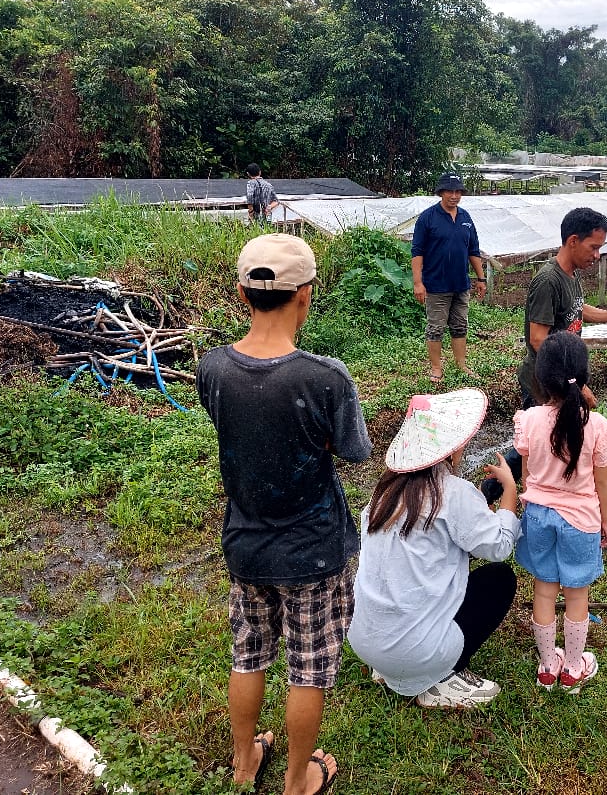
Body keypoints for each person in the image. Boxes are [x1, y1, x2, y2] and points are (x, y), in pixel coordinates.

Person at [196, 233, 371, 795]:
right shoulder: (325, 377)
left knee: (248, 653)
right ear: (306, 295)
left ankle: (245, 760)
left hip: (245, 542)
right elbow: (355, 450)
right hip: (314, 547)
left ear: (242, 294)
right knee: (309, 667)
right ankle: (299, 779)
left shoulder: (212, 369)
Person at [347, 388, 521, 708]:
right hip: (415, 652)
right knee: (499, 579)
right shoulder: (452, 492)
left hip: (364, 638)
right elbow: (499, 545)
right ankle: (440, 679)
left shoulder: (383, 493)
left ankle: (388, 667)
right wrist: (510, 489)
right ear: (449, 448)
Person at [482, 206, 607, 504]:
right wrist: (577, 384)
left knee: (548, 441)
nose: (597, 255)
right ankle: (488, 494)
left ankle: (546, 492)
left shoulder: (570, 276)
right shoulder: (548, 280)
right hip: (543, 381)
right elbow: (537, 339)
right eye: (594, 247)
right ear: (573, 240)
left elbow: (579, 310)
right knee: (530, 446)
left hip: (561, 381)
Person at [515, 331, 607, 693]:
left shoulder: (529, 420)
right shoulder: (596, 426)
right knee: (577, 594)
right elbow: (604, 483)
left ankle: (548, 666)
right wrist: (606, 520)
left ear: (541, 379)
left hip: (539, 515)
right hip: (581, 522)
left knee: (543, 590)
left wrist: (528, 500)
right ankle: (574, 669)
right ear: (584, 375)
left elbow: (527, 472)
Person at [410, 173, 486, 382]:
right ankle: (436, 368)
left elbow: (473, 250)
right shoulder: (428, 217)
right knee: (436, 327)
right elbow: (417, 252)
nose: (454, 196)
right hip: (436, 285)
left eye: (458, 192)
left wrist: (481, 279)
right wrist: (418, 283)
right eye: (450, 191)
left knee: (460, 325)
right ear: (441, 192)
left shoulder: (465, 218)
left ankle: (461, 365)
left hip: (461, 284)